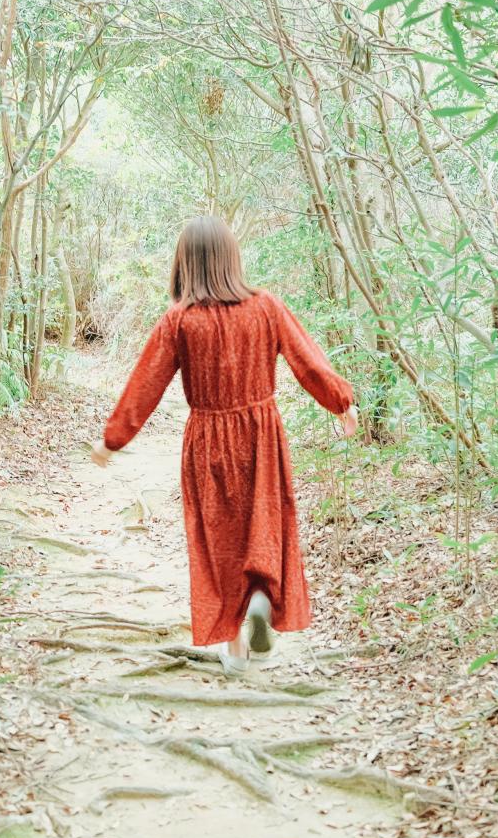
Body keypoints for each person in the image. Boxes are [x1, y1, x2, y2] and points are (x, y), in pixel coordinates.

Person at [90, 216, 358, 674]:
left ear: (184, 265)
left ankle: (235, 649)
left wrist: (112, 440)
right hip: (261, 435)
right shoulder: (266, 307)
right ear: (232, 259)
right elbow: (307, 362)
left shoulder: (179, 321)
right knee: (265, 527)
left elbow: (145, 386)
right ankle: (259, 599)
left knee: (218, 542)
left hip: (207, 440)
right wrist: (341, 403)